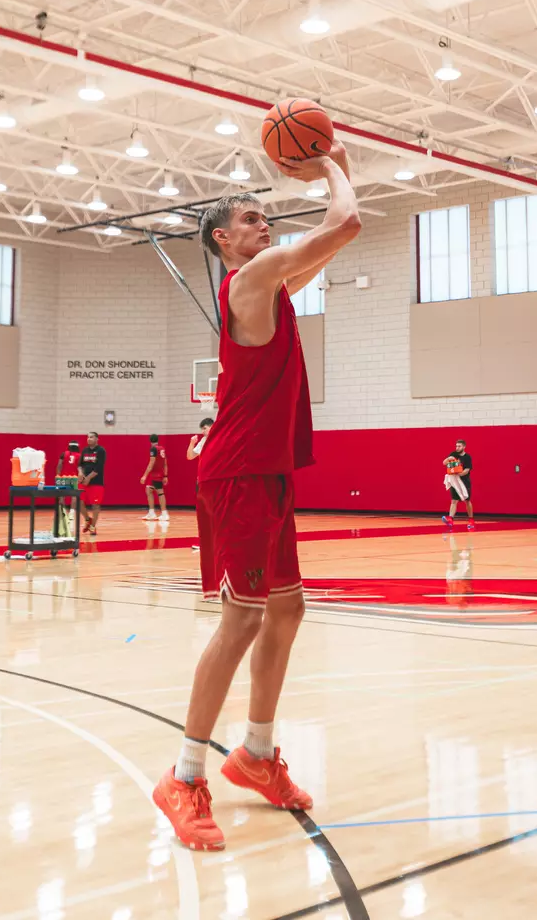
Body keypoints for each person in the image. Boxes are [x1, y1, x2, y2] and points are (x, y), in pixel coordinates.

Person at [153, 141, 360, 852]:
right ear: (223, 239)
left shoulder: (269, 284)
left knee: (287, 608)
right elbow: (348, 224)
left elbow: (329, 247)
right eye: (250, 216)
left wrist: (339, 173)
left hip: (266, 470)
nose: (263, 223)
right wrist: (329, 164)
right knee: (240, 621)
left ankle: (257, 755)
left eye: (264, 216)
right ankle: (183, 776)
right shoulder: (250, 278)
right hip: (239, 471)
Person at [187, 418, 214, 552]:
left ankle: (215, 543)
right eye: (202, 429)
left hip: (214, 480)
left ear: (212, 427)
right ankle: (205, 543)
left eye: (205, 428)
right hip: (202, 480)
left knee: (214, 513)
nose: (203, 431)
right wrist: (192, 443)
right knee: (203, 514)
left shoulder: (218, 439)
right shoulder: (203, 441)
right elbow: (190, 456)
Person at [441, 440, 474, 530]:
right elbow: (444, 463)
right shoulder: (453, 454)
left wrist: (458, 473)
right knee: (454, 500)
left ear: (464, 447)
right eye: (456, 446)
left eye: (459, 446)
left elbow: (467, 470)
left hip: (464, 481)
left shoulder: (467, 457)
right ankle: (450, 519)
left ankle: (471, 520)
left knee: (467, 500)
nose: (457, 448)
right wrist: (448, 459)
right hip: (454, 481)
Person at [79, 431, 106, 536]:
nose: (89, 439)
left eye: (91, 437)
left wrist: (89, 478)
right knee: (79, 503)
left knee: (95, 505)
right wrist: (80, 473)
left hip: (96, 482)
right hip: (83, 482)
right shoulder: (85, 450)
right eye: (87, 437)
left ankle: (93, 526)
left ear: (96, 439)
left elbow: (99, 467)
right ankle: (87, 519)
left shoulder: (101, 451)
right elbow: (80, 465)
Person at [140, 433, 169, 522]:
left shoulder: (153, 449)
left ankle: (164, 514)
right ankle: (151, 512)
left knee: (160, 493)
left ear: (150, 441)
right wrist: (165, 475)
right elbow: (165, 463)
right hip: (159, 474)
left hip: (156, 475)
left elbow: (151, 463)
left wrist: (144, 476)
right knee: (148, 490)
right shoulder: (162, 449)